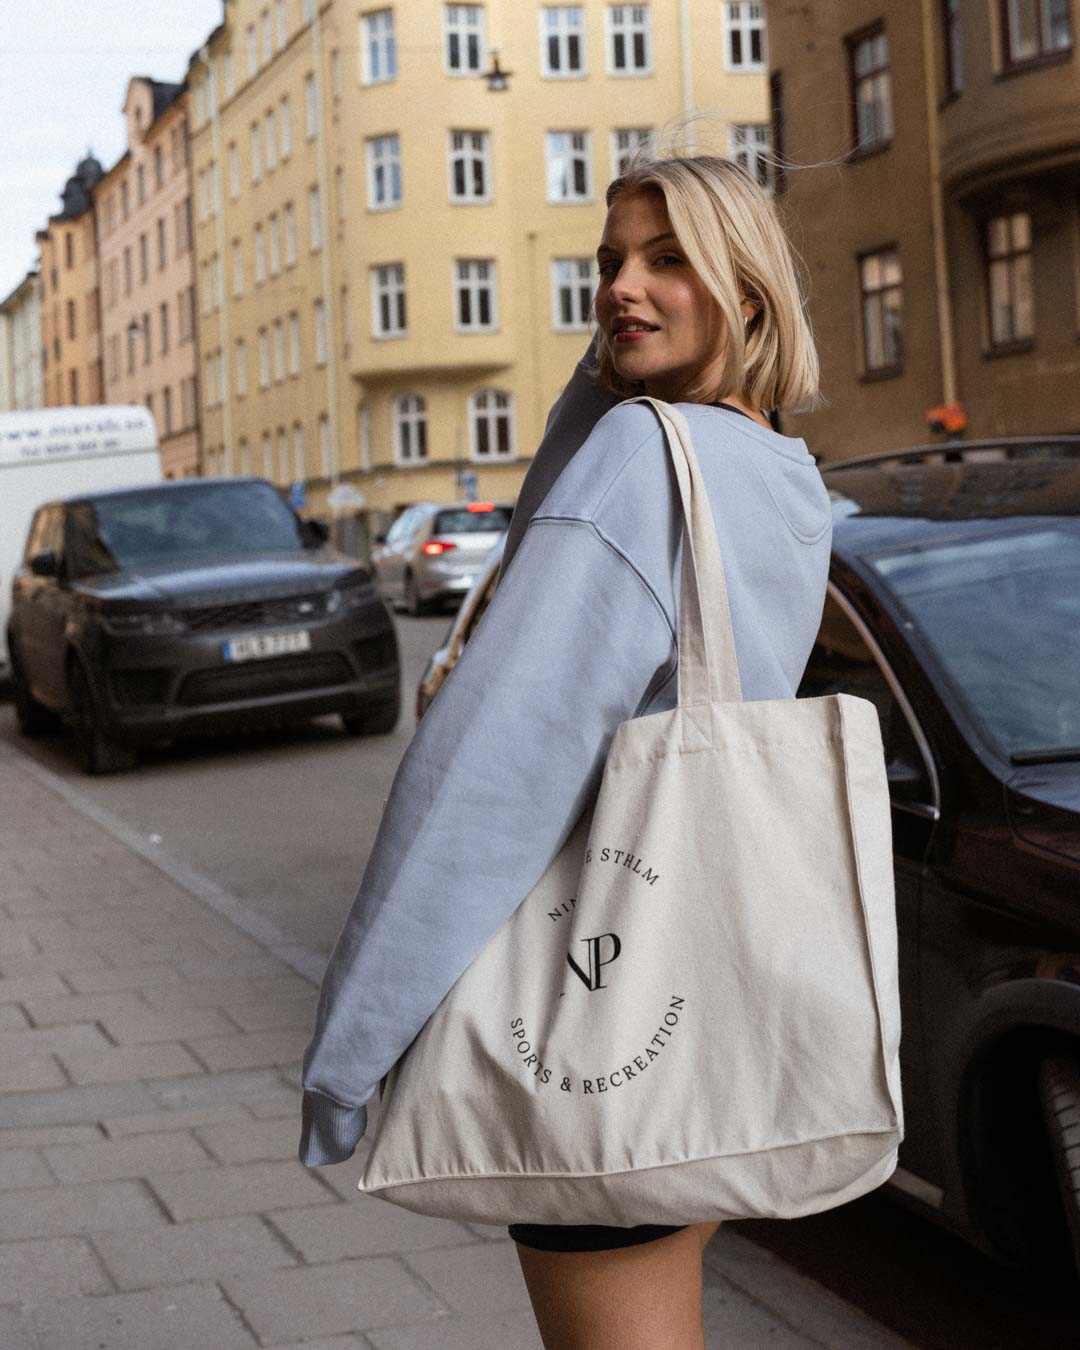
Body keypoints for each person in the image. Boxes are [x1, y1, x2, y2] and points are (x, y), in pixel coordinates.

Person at [299, 152, 831, 1349]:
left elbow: (489, 778)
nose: (621, 288)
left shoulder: (640, 463)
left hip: (599, 1005)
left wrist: (352, 1046)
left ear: (746, 290)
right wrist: (609, 386)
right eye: (608, 263)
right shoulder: (776, 467)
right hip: (707, 986)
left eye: (667, 259)